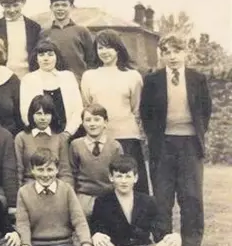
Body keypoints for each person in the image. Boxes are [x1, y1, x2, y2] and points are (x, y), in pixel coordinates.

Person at [140, 35, 211, 246]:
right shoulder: (152, 80)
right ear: (162, 54)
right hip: (163, 145)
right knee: (162, 199)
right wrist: (158, 141)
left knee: (191, 198)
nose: (172, 56)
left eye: (176, 51)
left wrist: (192, 134)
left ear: (185, 52)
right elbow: (146, 114)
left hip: (190, 145)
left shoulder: (197, 79)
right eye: (167, 52)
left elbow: (205, 110)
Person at [12, 148, 101, 246]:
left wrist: (86, 244)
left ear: (57, 170)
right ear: (33, 170)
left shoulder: (66, 189)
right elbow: (23, 223)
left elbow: (79, 220)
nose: (45, 174)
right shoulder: (24, 192)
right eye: (40, 169)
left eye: (50, 169)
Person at [81, 29, 149, 194]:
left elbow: (136, 107)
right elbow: (87, 106)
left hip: (127, 137)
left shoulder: (133, 76)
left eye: (108, 47)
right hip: (100, 138)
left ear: (118, 48)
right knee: (105, 184)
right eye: (100, 48)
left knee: (129, 184)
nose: (104, 52)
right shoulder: (89, 76)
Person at [90, 155, 181, 246]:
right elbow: (97, 228)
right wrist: (97, 235)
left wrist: (174, 237)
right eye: (119, 176)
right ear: (111, 177)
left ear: (136, 178)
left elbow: (161, 231)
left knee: (169, 245)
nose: (123, 181)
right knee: (102, 244)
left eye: (128, 176)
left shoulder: (148, 201)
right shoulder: (102, 201)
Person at [20, 39, 83, 138]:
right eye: (41, 55)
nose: (46, 58)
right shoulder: (28, 80)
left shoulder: (68, 77)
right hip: (40, 136)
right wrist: (41, 133)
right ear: (36, 59)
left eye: (50, 54)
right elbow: (25, 112)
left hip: (69, 135)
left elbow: (78, 109)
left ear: (56, 57)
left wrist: (67, 133)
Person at [70, 104, 124, 217]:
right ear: (83, 123)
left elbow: (120, 174)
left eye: (97, 119)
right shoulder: (76, 145)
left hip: (108, 195)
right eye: (88, 120)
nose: (92, 124)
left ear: (105, 122)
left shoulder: (115, 146)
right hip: (84, 196)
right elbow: (71, 173)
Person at [14, 94, 73, 187]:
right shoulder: (21, 138)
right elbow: (18, 171)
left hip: (55, 187)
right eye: (38, 114)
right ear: (31, 115)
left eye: (47, 114)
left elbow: (65, 172)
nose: (43, 118)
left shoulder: (60, 138)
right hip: (30, 186)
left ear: (52, 115)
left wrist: (65, 192)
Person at [39, 0, 96, 81]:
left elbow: (92, 61)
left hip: (78, 83)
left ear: (72, 7)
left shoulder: (82, 31)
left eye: (64, 5)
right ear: (51, 7)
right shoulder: (44, 33)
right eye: (56, 5)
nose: (60, 9)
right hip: (52, 83)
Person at [0, 0, 41, 78]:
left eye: (15, 5)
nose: (12, 10)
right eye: (7, 6)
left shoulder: (34, 27)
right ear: (1, 5)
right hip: (2, 77)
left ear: (23, 3)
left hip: (29, 76)